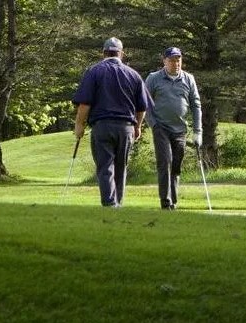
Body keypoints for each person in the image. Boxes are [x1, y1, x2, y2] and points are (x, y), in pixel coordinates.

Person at [72, 37, 151, 207]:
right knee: (121, 167)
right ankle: (118, 203)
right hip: (126, 128)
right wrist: (137, 127)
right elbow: (142, 108)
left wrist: (79, 125)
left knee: (105, 166)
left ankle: (109, 204)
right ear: (121, 53)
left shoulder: (94, 71)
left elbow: (84, 104)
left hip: (102, 126)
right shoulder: (133, 74)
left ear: (103, 53)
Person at [144, 47, 203, 210]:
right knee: (165, 162)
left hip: (180, 130)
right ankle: (166, 202)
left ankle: (174, 201)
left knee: (176, 165)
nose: (175, 63)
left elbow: (196, 105)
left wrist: (198, 132)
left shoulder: (189, 79)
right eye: (171, 60)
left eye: (178, 60)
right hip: (160, 127)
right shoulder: (153, 78)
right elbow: (145, 103)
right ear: (164, 61)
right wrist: (153, 124)